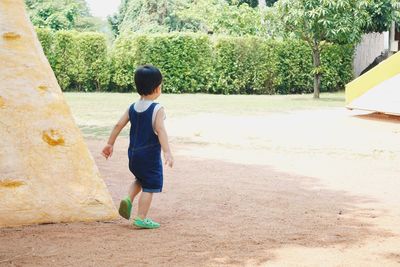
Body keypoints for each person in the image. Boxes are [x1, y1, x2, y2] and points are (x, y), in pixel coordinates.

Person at [101, 65, 173, 229]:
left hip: (133, 155)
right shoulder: (157, 109)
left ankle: (128, 198)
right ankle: (141, 217)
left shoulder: (132, 107)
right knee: (150, 186)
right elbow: (160, 130)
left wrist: (109, 143)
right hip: (149, 157)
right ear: (156, 88)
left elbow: (119, 124)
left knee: (140, 179)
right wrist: (167, 152)